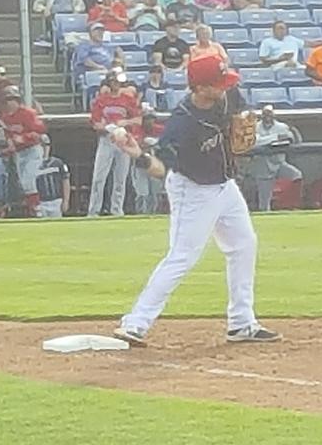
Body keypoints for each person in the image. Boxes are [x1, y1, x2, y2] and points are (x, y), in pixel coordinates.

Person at [109, 55, 280, 345]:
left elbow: (241, 117)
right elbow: (161, 169)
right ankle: (135, 323)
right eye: (218, 84)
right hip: (192, 189)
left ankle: (241, 323)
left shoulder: (228, 97)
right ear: (200, 88)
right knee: (183, 256)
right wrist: (137, 155)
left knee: (244, 245)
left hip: (224, 185)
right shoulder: (182, 124)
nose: (225, 88)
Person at [88, 69, 140, 217]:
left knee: (120, 178)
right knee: (99, 177)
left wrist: (125, 122)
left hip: (124, 139)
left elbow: (138, 119)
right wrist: (107, 128)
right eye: (113, 82)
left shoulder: (127, 100)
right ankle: (94, 210)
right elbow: (95, 123)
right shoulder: (101, 100)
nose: (115, 84)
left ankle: (116, 210)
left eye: (117, 82)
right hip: (107, 139)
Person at [0, 86, 47, 215]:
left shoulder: (28, 113)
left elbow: (40, 131)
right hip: (19, 153)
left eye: (11, 99)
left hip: (33, 150)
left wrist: (24, 137)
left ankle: (38, 209)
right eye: (7, 100)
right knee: (24, 184)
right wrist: (10, 146)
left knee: (30, 180)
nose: (9, 103)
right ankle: (32, 209)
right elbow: (8, 136)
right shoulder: (5, 117)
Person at [250, 105, 301, 212]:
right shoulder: (255, 127)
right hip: (263, 166)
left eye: (270, 113)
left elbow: (290, 138)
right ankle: (265, 220)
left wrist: (290, 133)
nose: (268, 116)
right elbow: (256, 142)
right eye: (265, 113)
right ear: (262, 115)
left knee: (296, 175)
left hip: (279, 162)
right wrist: (276, 138)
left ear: (274, 115)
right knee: (264, 202)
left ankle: (292, 205)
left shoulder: (281, 126)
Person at [131, 106, 165, 214]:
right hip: (140, 166)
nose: (149, 121)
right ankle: (140, 215)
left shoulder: (160, 129)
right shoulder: (137, 129)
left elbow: (168, 142)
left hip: (155, 166)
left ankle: (153, 215)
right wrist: (149, 144)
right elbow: (138, 145)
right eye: (146, 119)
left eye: (151, 118)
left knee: (155, 193)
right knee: (142, 193)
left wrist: (158, 143)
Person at [36, 135, 71, 218]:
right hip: (40, 202)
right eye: (41, 146)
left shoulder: (58, 163)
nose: (45, 148)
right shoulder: (32, 165)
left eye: (47, 145)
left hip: (56, 201)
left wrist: (66, 201)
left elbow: (65, 182)